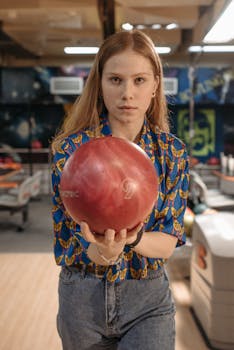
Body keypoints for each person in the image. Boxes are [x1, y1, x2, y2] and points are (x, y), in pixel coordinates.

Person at [51, 29, 189, 350]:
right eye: (116, 80)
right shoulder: (70, 151)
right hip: (82, 297)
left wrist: (131, 238)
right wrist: (103, 252)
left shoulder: (172, 152)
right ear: (99, 85)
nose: (128, 92)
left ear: (156, 85)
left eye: (139, 80)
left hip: (148, 301)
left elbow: (168, 241)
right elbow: (68, 240)